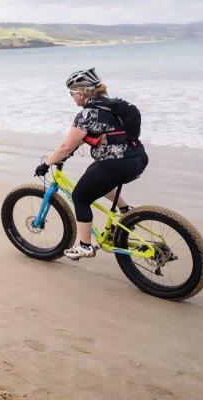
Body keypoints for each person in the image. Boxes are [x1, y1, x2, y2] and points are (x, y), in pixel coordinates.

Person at [36, 68, 148, 260]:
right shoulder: (111, 105)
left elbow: (65, 146)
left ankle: (84, 246)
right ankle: (126, 211)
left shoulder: (87, 114)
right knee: (96, 176)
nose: (72, 97)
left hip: (117, 164)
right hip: (138, 158)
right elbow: (102, 134)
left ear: (80, 93)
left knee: (80, 196)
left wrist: (46, 164)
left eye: (71, 94)